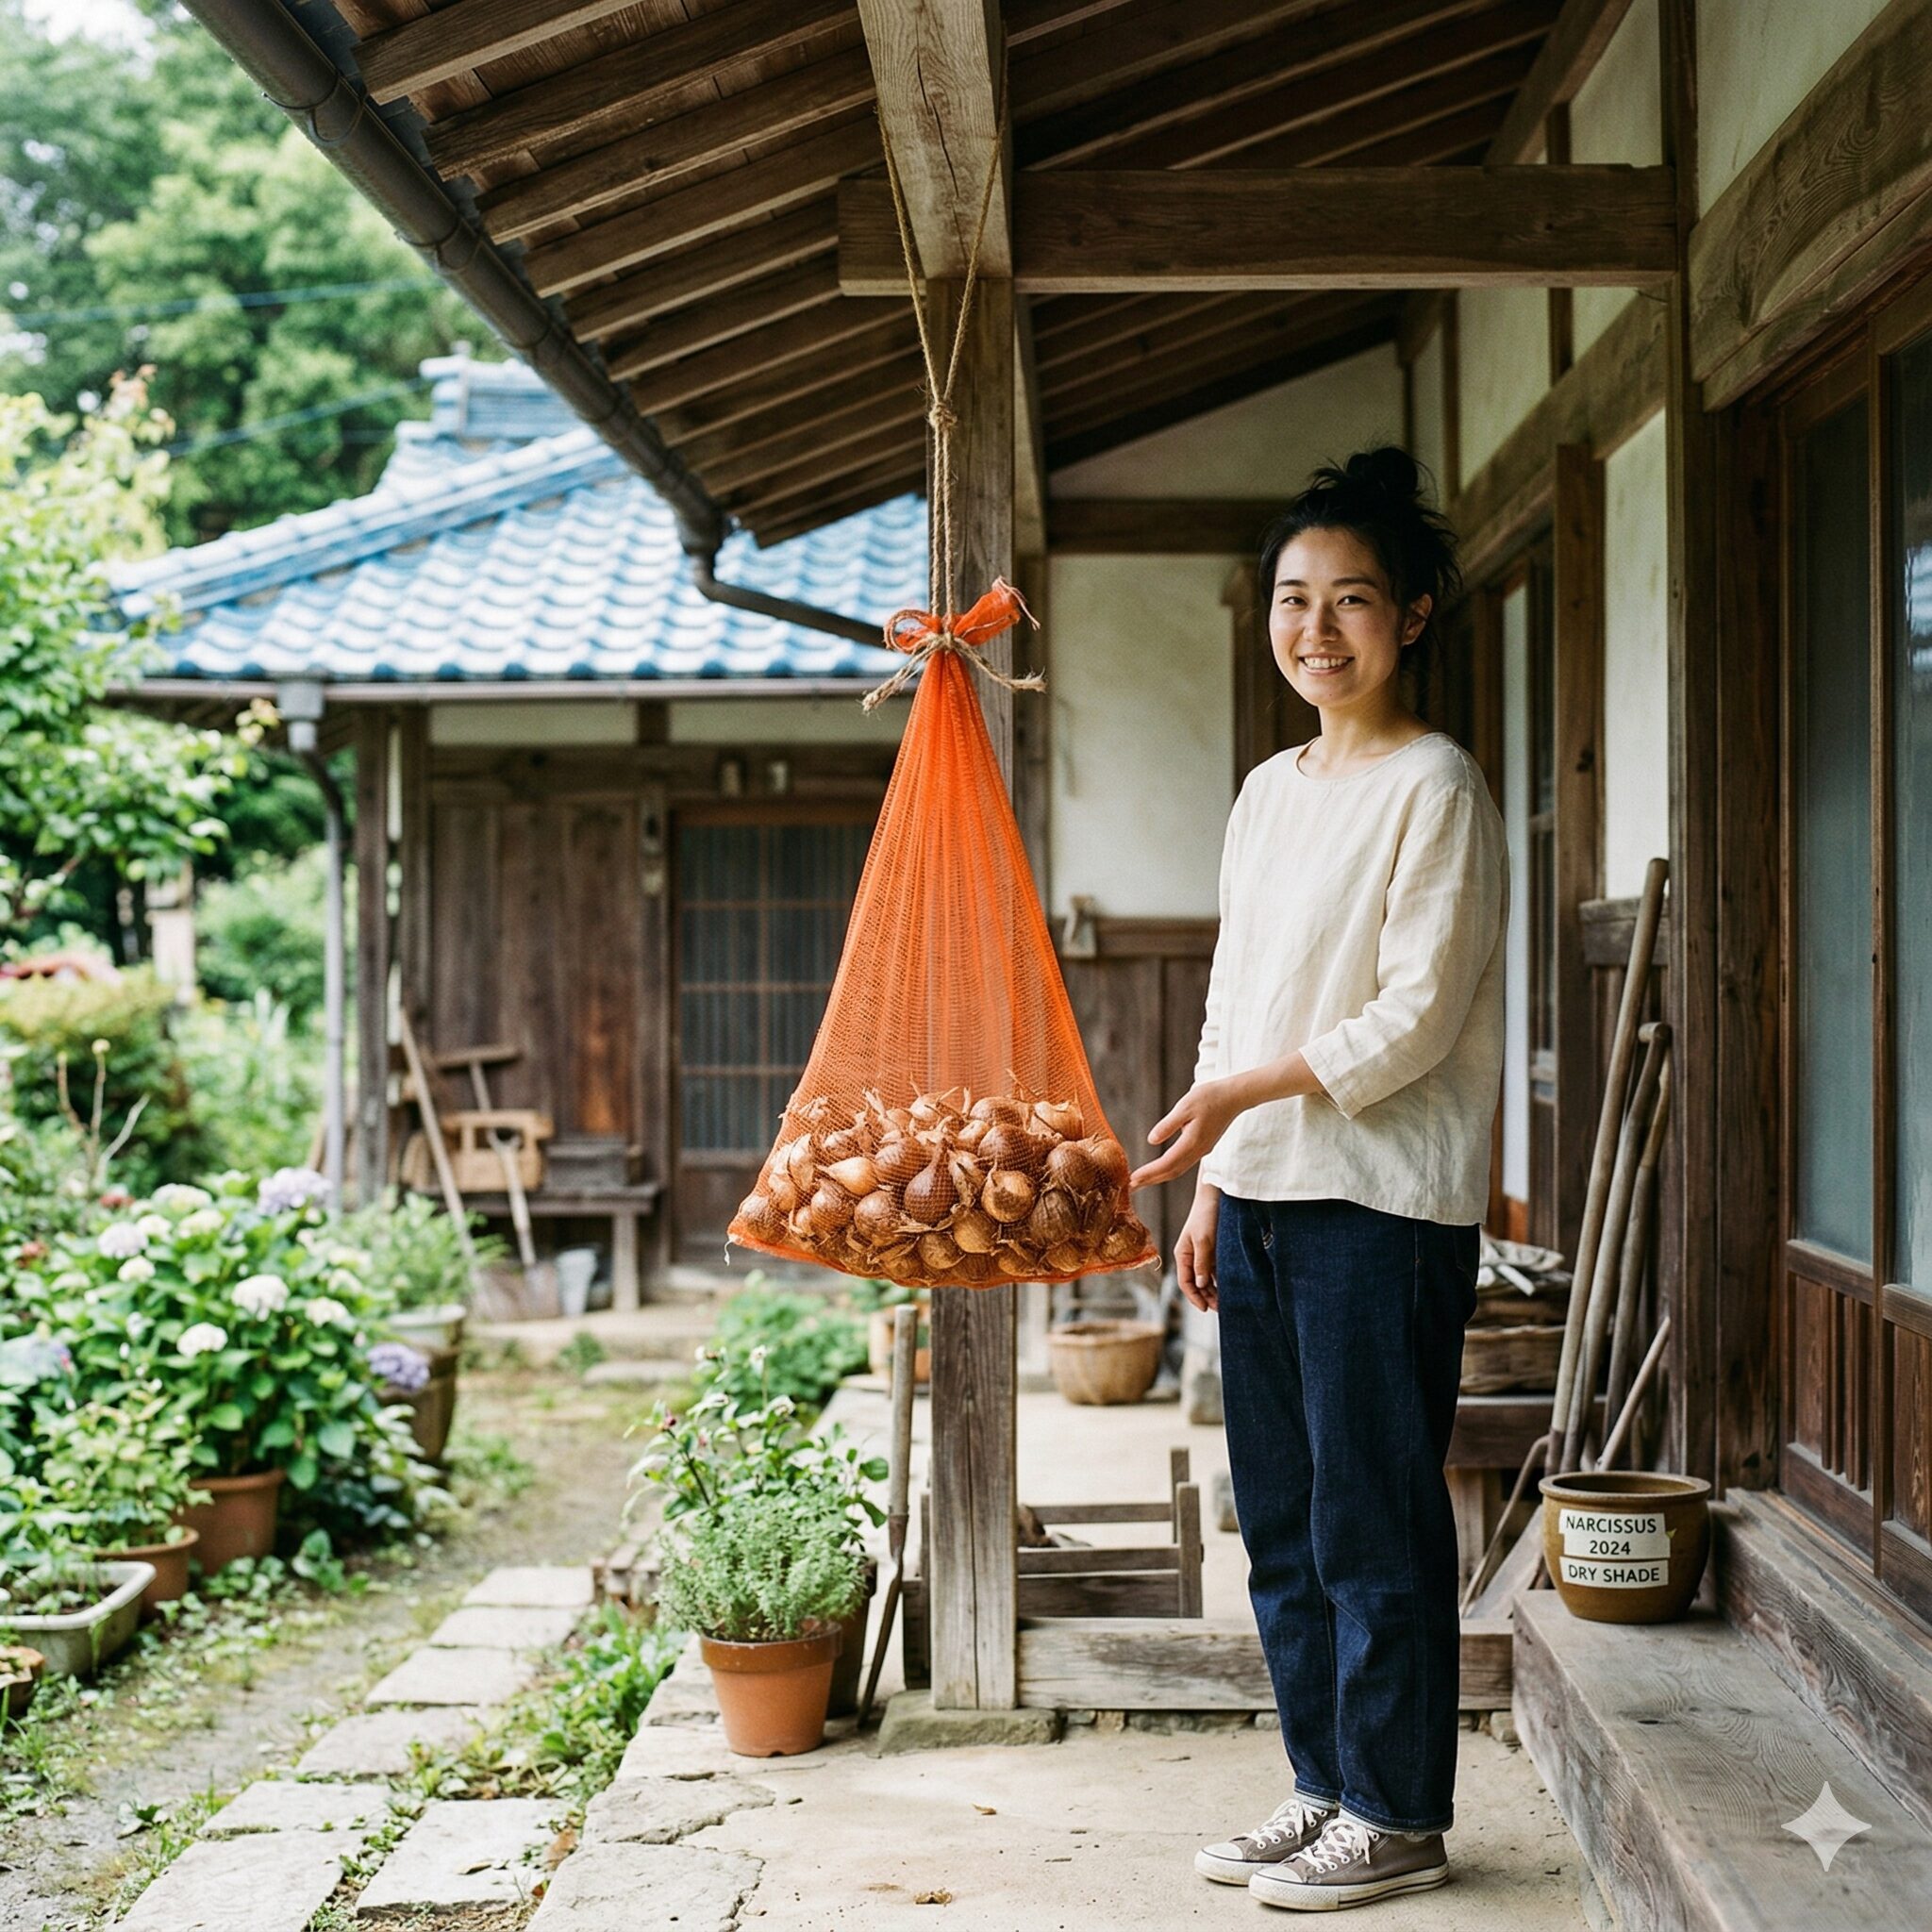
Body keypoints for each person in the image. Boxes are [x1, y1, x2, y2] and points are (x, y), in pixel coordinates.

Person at [1129, 446, 1507, 1912]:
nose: (1318, 630)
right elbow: (1239, 994)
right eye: (1295, 601)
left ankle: (1402, 1812)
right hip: (1270, 1194)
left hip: (1383, 1201)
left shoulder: (1437, 785)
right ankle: (1326, 1785)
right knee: (1281, 1515)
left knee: (1372, 1512)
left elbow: (1412, 1017)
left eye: (1352, 601)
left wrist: (1243, 1097)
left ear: (1412, 616)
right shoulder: (1267, 791)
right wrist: (1219, 1179)